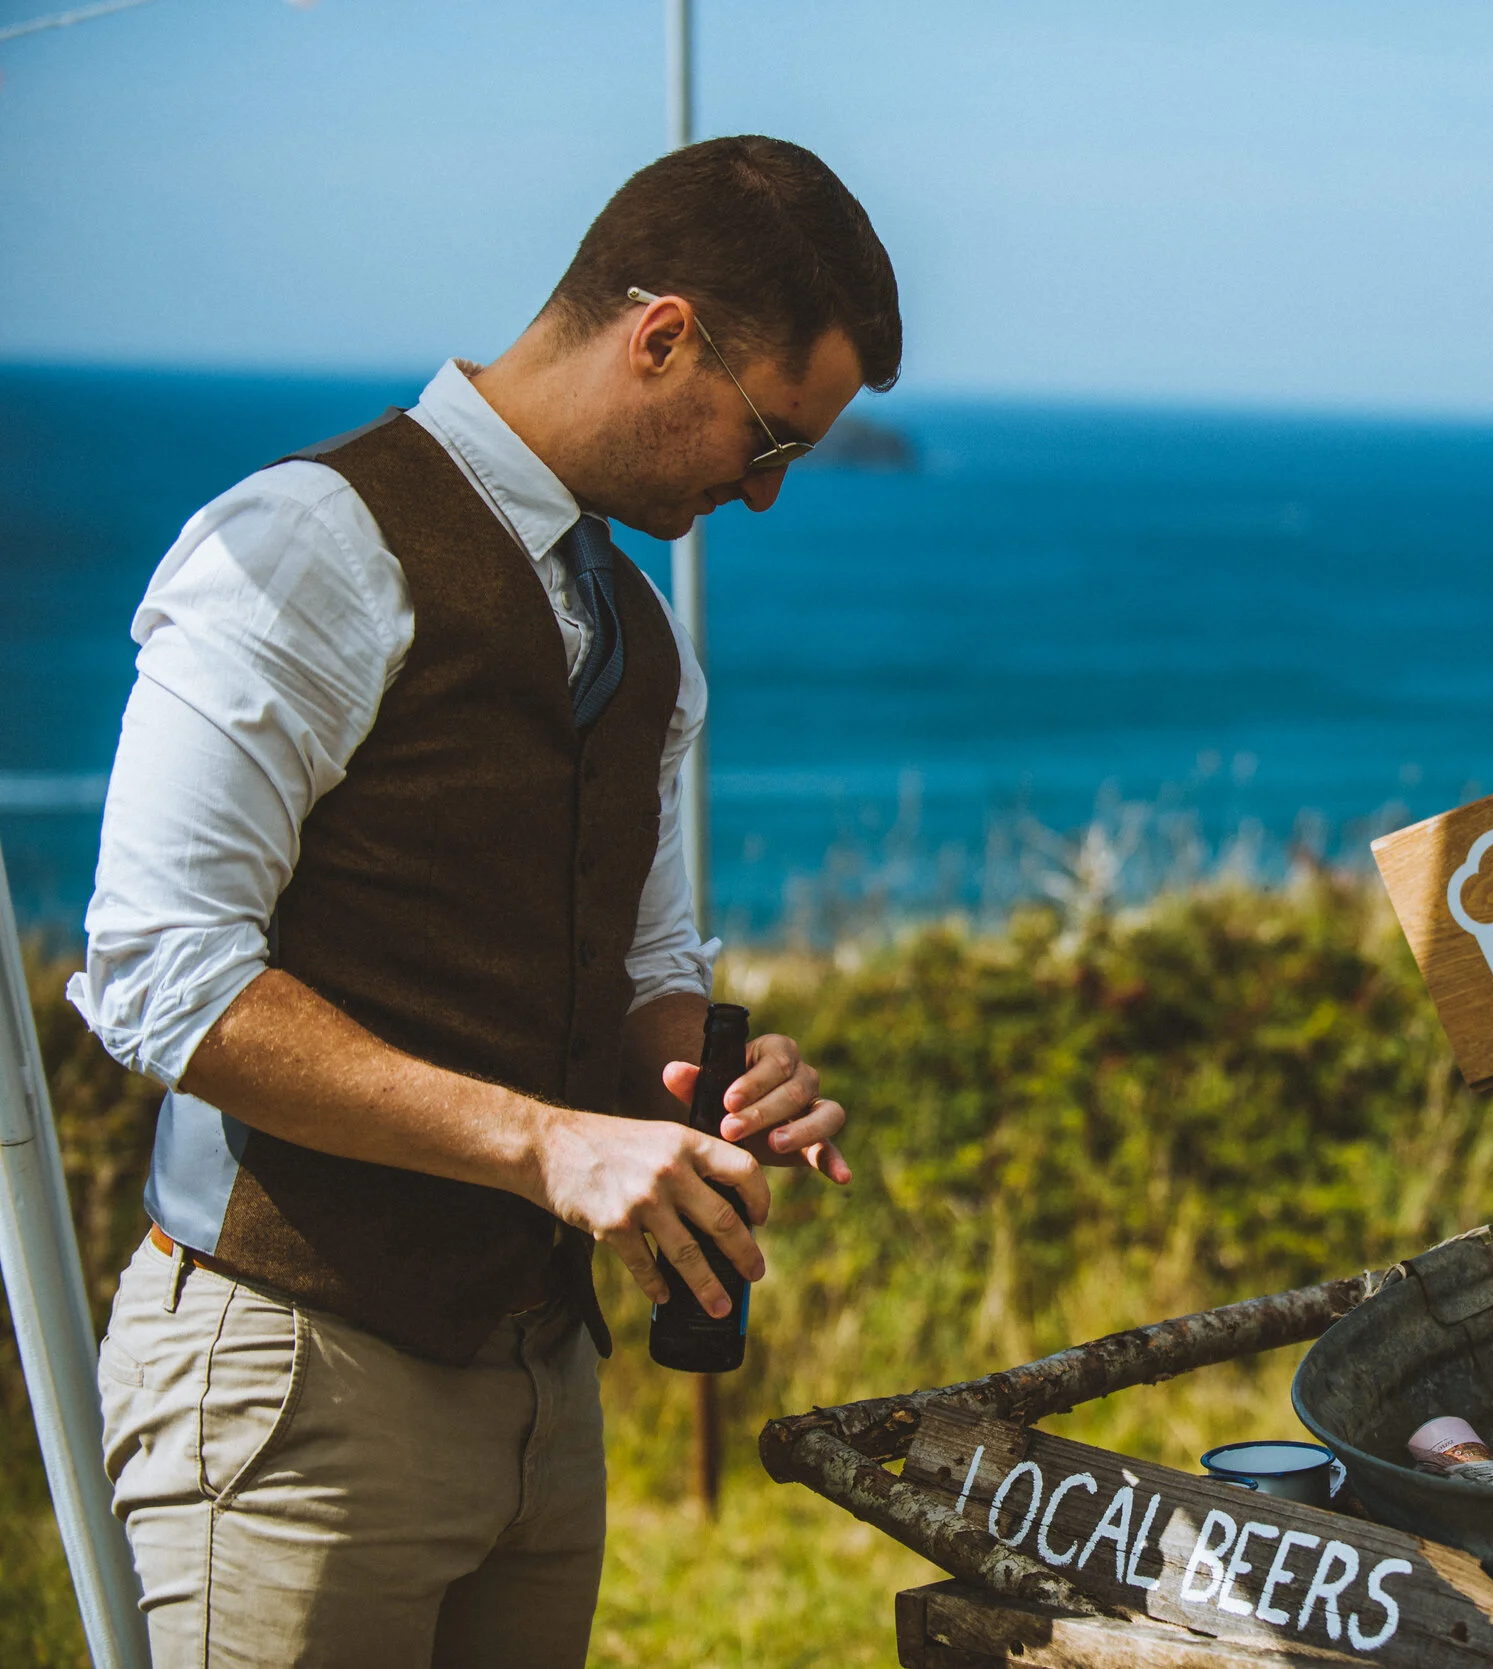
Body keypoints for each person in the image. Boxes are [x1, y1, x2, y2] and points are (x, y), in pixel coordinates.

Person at [67, 135, 902, 1667]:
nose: (767, 497)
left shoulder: (644, 631)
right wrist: (548, 1146)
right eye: (771, 437)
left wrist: (708, 1081)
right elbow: (158, 975)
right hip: (287, 1384)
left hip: (540, 1389)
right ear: (663, 337)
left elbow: (641, 965)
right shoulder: (302, 546)